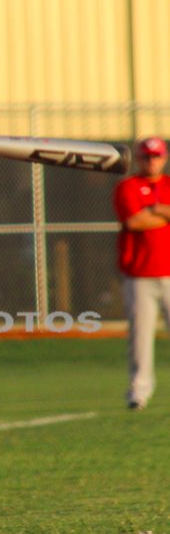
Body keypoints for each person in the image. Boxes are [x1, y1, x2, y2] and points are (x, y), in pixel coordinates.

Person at [113, 136, 170, 411]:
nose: (152, 161)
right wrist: (164, 214)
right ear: (138, 158)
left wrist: (158, 210)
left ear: (165, 157)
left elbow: (146, 217)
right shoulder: (128, 186)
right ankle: (139, 391)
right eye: (146, 157)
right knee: (140, 337)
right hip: (139, 273)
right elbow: (134, 221)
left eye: (156, 156)